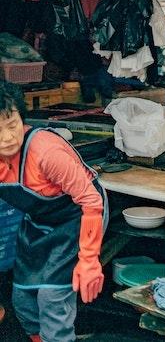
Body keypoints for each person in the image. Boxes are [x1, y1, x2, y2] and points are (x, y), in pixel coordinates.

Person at [0, 81, 107, 342]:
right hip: (38, 221)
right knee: (23, 300)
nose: (7, 137)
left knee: (51, 297)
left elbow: (91, 202)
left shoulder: (46, 152)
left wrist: (89, 260)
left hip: (79, 217)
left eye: (12, 124)